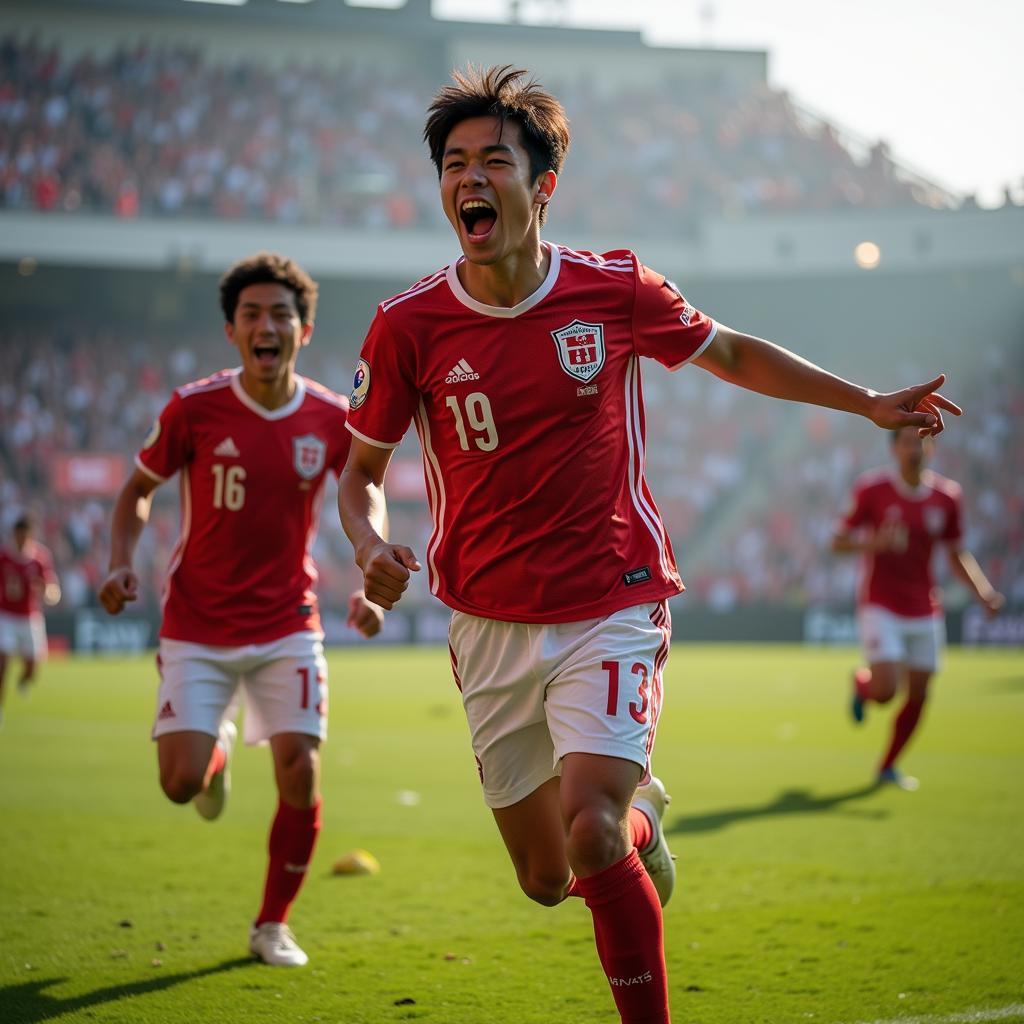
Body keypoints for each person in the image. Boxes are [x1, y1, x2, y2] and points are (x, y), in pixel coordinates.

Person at [337, 66, 960, 1024]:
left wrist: (866, 402)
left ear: (540, 186)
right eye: (454, 163)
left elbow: (735, 352)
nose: (471, 177)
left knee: (587, 833)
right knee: (549, 878)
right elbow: (361, 474)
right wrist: (369, 545)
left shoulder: (615, 288)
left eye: (493, 159)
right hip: (488, 620)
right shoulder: (408, 326)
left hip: (614, 597)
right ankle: (642, 820)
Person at [99, 251, 382, 967]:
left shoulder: (329, 417)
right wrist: (118, 563)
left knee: (300, 769)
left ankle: (271, 925)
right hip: (196, 625)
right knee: (179, 784)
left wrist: (368, 571)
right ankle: (216, 755)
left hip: (290, 620)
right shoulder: (193, 407)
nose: (267, 326)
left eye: (280, 315)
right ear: (232, 332)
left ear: (304, 329)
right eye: (252, 315)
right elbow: (136, 491)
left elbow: (360, 492)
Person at [832, 426, 1003, 791]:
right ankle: (863, 685)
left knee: (921, 694)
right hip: (881, 602)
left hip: (924, 604)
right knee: (886, 691)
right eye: (908, 441)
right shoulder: (872, 489)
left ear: (932, 447)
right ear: (894, 449)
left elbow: (956, 552)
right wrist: (874, 543)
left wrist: (984, 593)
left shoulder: (947, 496)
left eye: (922, 441)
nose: (916, 449)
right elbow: (838, 542)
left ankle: (888, 765)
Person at [0, 513, 61, 724]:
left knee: (32, 668)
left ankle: (23, 681)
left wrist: (47, 591)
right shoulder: (4, 556)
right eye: (19, 535)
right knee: (3, 660)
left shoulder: (40, 557)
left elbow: (53, 591)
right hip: (6, 615)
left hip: (30, 617)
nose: (22, 540)